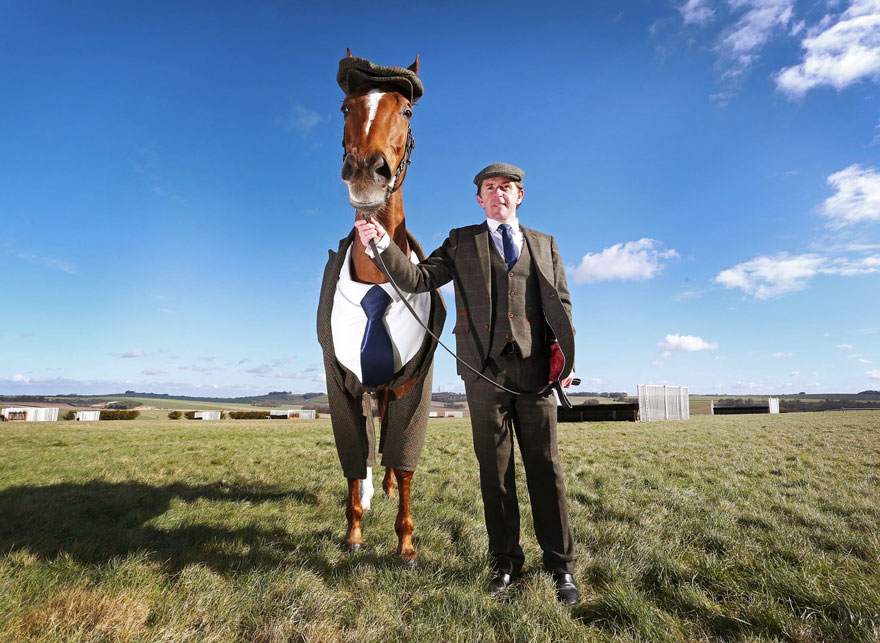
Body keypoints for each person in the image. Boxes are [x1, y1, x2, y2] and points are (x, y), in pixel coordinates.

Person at [354, 162, 579, 604]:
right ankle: (504, 564)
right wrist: (382, 245)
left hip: (536, 375)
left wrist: (564, 358)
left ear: (520, 196)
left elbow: (562, 305)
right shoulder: (461, 241)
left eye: (508, 187)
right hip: (483, 375)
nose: (499, 193)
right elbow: (421, 279)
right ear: (480, 198)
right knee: (495, 475)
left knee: (546, 471)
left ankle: (561, 567)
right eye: (490, 187)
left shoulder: (545, 244)